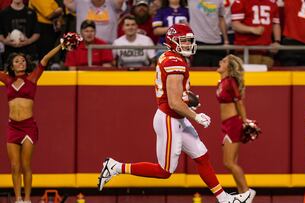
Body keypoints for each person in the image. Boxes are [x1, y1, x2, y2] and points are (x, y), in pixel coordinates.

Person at [98, 24, 255, 203]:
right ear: (173, 41)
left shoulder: (171, 56)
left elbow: (175, 96)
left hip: (176, 117)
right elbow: (174, 102)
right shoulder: (175, 62)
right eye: (184, 41)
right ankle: (115, 167)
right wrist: (195, 116)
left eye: (189, 41)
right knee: (164, 171)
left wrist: (187, 99)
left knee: (202, 157)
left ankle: (224, 199)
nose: (188, 45)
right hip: (170, 119)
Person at [0, 43, 63, 203]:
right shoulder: (7, 80)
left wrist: (61, 45)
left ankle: (27, 199)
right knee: (14, 167)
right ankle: (18, 199)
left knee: (26, 165)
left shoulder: (32, 78)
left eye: (23, 61)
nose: (21, 63)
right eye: (17, 61)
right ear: (11, 66)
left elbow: (45, 59)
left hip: (28, 127)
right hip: (12, 127)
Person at [215, 54, 256, 201]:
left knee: (229, 162)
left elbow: (239, 102)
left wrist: (245, 121)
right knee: (229, 163)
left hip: (233, 123)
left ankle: (246, 192)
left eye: (224, 61)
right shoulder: (222, 82)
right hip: (226, 125)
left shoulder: (230, 81)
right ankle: (242, 194)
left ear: (230, 67)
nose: (220, 61)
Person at [231, 0, 281, 67]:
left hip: (267, 50)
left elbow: (276, 24)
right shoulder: (241, 2)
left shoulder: (272, 2)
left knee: (267, 77)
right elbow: (235, 25)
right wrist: (252, 29)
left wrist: (277, 41)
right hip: (247, 50)